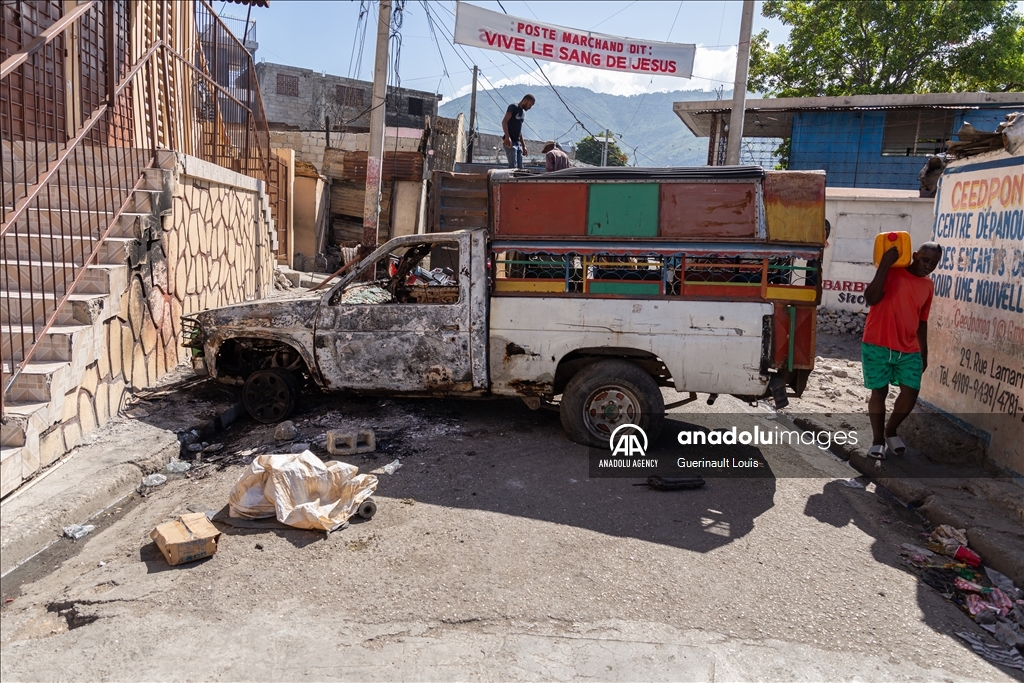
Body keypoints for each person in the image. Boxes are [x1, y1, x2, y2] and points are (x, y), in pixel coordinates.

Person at [861, 240, 943, 459]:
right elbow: (870, 298)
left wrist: (924, 352)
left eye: (934, 263)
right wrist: (885, 265)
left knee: (911, 392)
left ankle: (891, 430)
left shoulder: (928, 285)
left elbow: (922, 320)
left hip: (908, 347)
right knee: (879, 391)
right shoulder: (893, 272)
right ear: (915, 255)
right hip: (877, 342)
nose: (928, 265)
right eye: (925, 259)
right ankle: (878, 440)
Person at [502, 94, 534, 169]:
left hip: (517, 143)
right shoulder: (513, 107)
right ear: (525, 100)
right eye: (530, 104)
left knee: (520, 167)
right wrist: (507, 137)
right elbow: (504, 121)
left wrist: (523, 146)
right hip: (510, 142)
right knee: (513, 166)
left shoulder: (522, 113)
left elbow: (519, 131)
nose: (530, 107)